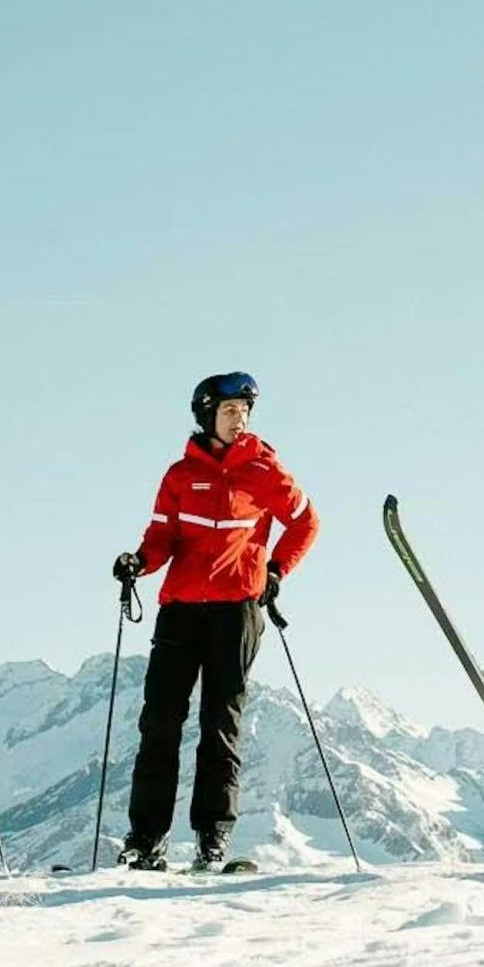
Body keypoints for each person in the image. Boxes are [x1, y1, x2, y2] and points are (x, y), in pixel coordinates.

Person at [110, 370, 319, 872]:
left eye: (245, 412)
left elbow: (307, 522)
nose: (239, 420)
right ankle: (145, 840)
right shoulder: (180, 476)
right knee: (159, 724)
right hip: (180, 610)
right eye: (230, 412)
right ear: (207, 415)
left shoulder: (267, 471)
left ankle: (212, 839)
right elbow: (161, 537)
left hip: (236, 612)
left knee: (220, 726)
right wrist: (139, 561)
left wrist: (275, 569)